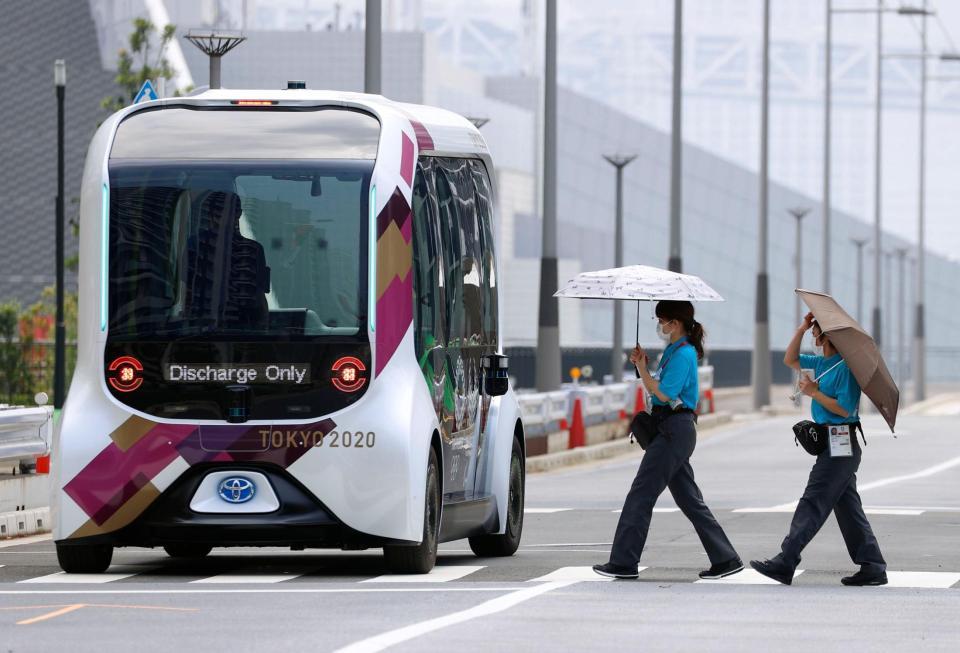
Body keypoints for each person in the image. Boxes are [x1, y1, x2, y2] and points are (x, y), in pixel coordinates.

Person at [593, 300, 742, 580]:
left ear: (675, 323)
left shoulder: (684, 353)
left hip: (675, 430)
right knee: (689, 500)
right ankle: (726, 558)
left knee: (641, 493)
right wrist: (642, 365)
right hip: (672, 430)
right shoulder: (673, 351)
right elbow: (656, 387)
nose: (659, 326)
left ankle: (624, 562)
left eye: (662, 321)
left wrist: (643, 370)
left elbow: (662, 392)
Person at [751, 312, 887, 586]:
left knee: (813, 501)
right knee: (848, 509)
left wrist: (814, 393)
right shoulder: (821, 363)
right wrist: (801, 328)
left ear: (828, 336)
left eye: (815, 330)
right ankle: (873, 566)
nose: (813, 334)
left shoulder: (846, 368)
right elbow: (789, 359)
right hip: (831, 443)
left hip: (841, 442)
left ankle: (786, 561)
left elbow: (844, 408)